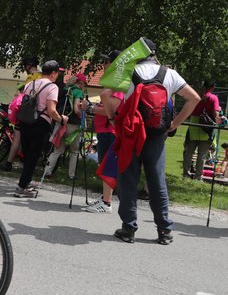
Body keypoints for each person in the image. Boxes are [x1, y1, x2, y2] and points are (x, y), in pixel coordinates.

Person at [103, 38, 199, 245]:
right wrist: (174, 123)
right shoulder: (169, 74)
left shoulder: (129, 73)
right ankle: (164, 231)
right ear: (154, 55)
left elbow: (105, 94)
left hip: (132, 132)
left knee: (129, 179)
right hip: (157, 134)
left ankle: (128, 229)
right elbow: (194, 98)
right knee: (157, 182)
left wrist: (112, 119)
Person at [14, 60, 67, 198]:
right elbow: (51, 111)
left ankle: (27, 181)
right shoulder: (52, 87)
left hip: (25, 120)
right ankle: (21, 187)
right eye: (57, 73)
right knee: (34, 156)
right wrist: (62, 119)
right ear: (54, 73)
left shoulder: (29, 84)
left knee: (27, 154)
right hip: (41, 123)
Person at [83, 50, 123, 213]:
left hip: (110, 130)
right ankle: (105, 198)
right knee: (105, 164)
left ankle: (106, 203)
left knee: (108, 166)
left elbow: (112, 108)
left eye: (107, 61)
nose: (104, 65)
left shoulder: (118, 83)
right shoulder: (112, 82)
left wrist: (90, 107)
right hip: (105, 130)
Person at [43, 73, 87, 180]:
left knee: (57, 150)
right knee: (74, 151)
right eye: (83, 84)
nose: (83, 86)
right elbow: (76, 110)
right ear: (79, 83)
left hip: (61, 122)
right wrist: (82, 115)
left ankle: (47, 173)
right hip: (73, 125)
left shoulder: (65, 90)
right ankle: (71, 175)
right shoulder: (78, 92)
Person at [1, 58, 41, 172]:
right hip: (37, 112)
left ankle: (9, 163)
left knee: (18, 137)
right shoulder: (42, 77)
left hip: (27, 111)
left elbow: (26, 96)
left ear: (28, 66)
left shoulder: (31, 78)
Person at [182, 79, 221, 179]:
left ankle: (186, 174)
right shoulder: (213, 98)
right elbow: (215, 114)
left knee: (189, 152)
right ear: (212, 87)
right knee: (202, 155)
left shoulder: (196, 96)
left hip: (194, 125)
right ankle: (198, 176)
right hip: (206, 127)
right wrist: (220, 118)